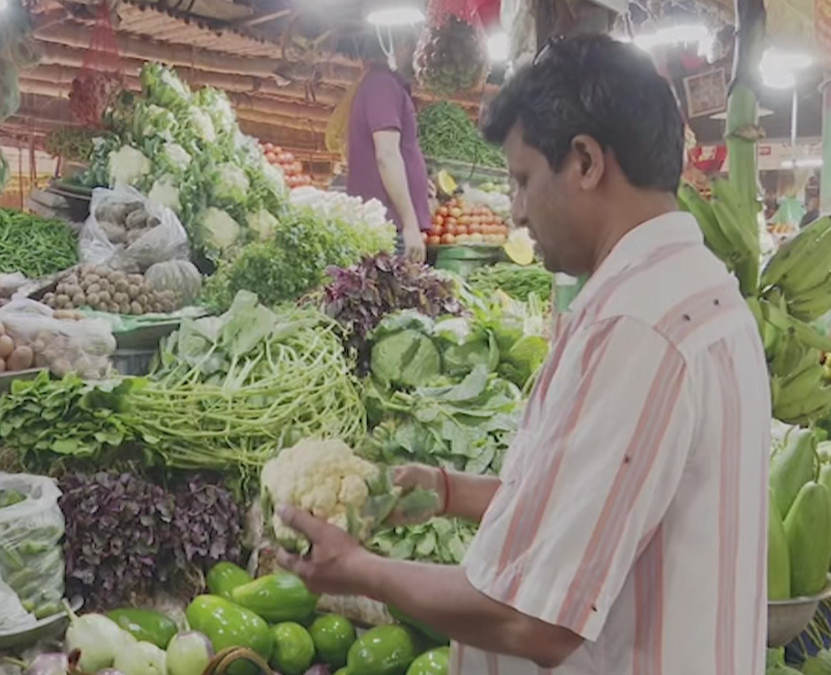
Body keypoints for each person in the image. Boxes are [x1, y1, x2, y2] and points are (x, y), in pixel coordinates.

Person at [278, 34, 770, 674]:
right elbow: (607, 502)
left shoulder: (637, 326)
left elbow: (535, 620)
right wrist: (449, 491)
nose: (516, 210)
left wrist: (360, 570)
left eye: (523, 179)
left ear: (587, 161)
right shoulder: (696, 290)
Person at [346, 26, 429, 264]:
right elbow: (387, 155)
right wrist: (410, 225)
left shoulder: (384, 85)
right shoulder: (382, 85)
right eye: (416, 47)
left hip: (392, 225)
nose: (419, 55)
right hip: (390, 227)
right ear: (402, 42)